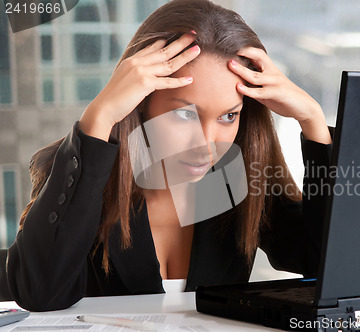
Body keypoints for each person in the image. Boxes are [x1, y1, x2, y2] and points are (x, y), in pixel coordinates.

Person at [6, 0, 334, 311]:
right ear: (142, 103)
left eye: (228, 116)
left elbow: (328, 263)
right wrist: (100, 117)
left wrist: (314, 124)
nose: (206, 144)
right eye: (185, 114)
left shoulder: (240, 178)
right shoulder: (79, 173)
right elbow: (40, 293)